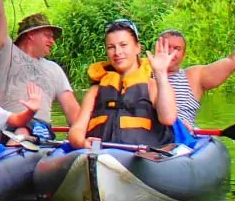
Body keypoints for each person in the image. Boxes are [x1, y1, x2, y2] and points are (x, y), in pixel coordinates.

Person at [0, 0, 80, 138]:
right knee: (23, 130)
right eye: (48, 35)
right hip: (9, 128)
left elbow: (74, 112)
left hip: (42, 131)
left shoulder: (54, 69)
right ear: (31, 35)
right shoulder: (5, 55)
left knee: (33, 131)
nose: (52, 41)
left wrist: (83, 137)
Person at [68, 19, 178, 149]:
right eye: (111, 47)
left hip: (143, 159)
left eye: (123, 45)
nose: (117, 52)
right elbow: (77, 129)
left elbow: (168, 118)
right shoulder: (96, 91)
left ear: (138, 48)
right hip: (103, 154)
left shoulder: (153, 86)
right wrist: (81, 142)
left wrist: (160, 73)